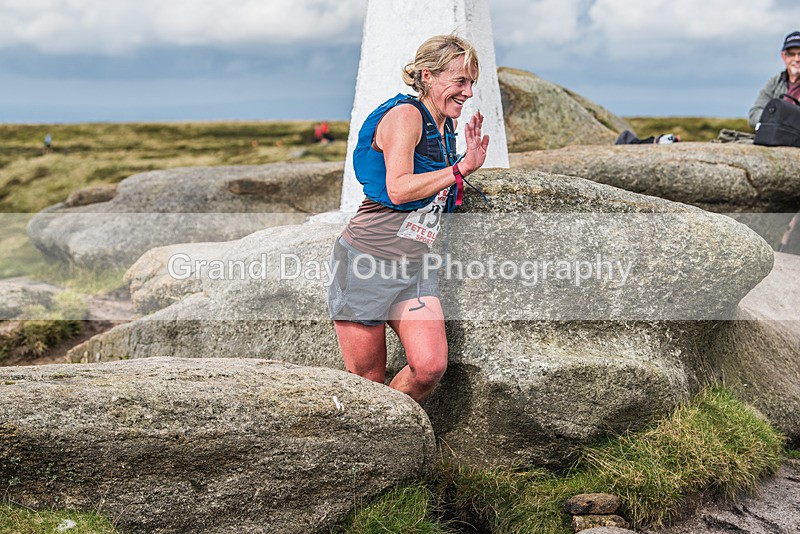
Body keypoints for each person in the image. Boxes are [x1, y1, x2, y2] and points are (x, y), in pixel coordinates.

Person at [327, 34, 490, 403]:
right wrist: (462, 168)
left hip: (413, 267)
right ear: (427, 76)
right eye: (460, 81)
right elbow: (398, 188)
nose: (467, 92)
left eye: (472, 83)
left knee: (429, 366)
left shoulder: (444, 123)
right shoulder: (405, 116)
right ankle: (376, 450)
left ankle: (393, 433)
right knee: (367, 381)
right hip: (366, 262)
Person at [748, 31, 800, 130]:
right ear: (783, 56)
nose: (797, 59)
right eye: (791, 54)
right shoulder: (775, 82)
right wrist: (776, 121)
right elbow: (754, 114)